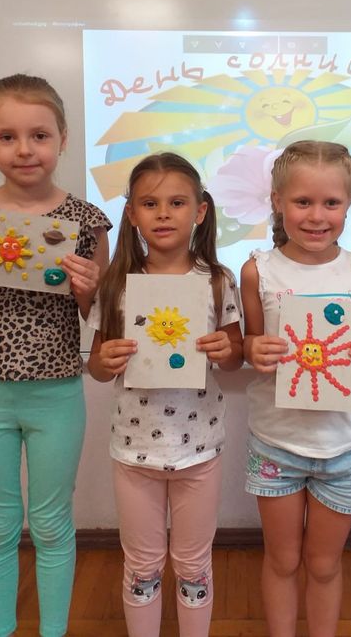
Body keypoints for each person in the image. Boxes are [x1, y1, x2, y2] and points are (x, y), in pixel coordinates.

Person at [0, 73, 111, 637]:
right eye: (7, 136)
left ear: (63, 138)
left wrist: (89, 288)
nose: (24, 149)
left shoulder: (86, 220)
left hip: (57, 391)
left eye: (39, 135)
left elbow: (100, 318)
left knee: (51, 524)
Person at [86, 152, 243, 637]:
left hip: (199, 449)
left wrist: (226, 351)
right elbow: (96, 366)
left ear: (200, 211)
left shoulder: (217, 281)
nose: (163, 214)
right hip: (134, 451)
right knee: (142, 567)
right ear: (132, 214)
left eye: (177, 202)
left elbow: (235, 355)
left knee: (194, 566)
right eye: (149, 203)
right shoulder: (116, 283)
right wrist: (106, 359)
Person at [241, 140, 351, 637]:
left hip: (344, 444)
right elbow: (249, 343)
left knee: (325, 565)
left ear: (349, 205)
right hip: (276, 442)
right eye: (302, 201)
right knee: (282, 560)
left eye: (331, 202)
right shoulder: (258, 270)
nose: (316, 215)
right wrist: (253, 349)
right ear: (277, 200)